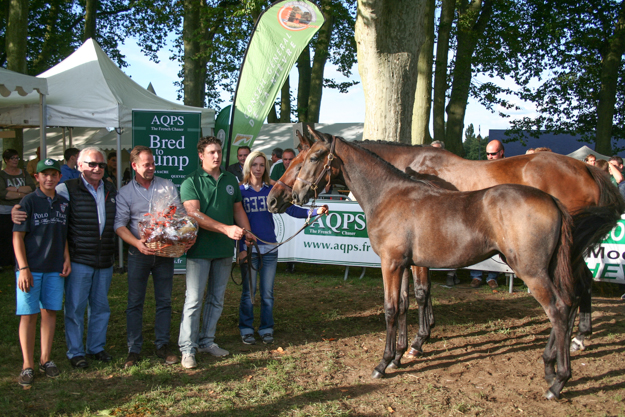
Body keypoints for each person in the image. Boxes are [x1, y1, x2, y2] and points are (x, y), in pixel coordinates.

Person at [12, 147, 118, 369]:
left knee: (101, 307)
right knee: (75, 308)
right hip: (79, 257)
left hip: (104, 257)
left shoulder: (110, 188)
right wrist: (18, 209)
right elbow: (43, 199)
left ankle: (96, 348)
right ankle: (76, 352)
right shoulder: (66, 187)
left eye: (101, 165)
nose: (97, 168)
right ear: (80, 166)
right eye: (91, 164)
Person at [178, 136, 254, 369]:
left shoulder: (231, 179)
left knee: (216, 299)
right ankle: (187, 349)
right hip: (199, 250)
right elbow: (194, 214)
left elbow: (237, 209)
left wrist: (247, 234)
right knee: (193, 300)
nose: (216, 156)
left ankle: (207, 341)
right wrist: (225, 228)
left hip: (223, 250)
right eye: (211, 152)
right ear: (201, 155)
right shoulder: (190, 181)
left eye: (219, 151)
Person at [237, 151, 328, 345]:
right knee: (248, 293)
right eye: (255, 165)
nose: (258, 169)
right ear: (249, 167)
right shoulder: (240, 190)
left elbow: (291, 209)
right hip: (250, 249)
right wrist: (240, 249)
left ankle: (266, 328)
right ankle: (245, 328)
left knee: (267, 293)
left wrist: (314, 212)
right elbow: (236, 221)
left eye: (262, 165)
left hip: (269, 249)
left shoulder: (271, 189)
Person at [115, 146, 188, 368]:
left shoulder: (166, 185)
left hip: (164, 254)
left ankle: (162, 345)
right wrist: (138, 243)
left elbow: (180, 216)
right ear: (134, 166)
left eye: (153, 163)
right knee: (135, 302)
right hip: (138, 253)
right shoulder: (125, 193)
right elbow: (119, 225)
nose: (151, 167)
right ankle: (133, 349)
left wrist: (173, 231)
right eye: (146, 164)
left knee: (164, 301)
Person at [13, 158, 70, 387]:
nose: (49, 178)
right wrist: (23, 268)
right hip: (31, 269)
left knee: (50, 312)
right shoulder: (27, 202)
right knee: (28, 315)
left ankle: (46, 359)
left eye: (53, 174)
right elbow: (17, 238)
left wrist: (66, 258)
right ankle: (28, 365)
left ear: (59, 177)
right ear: (36, 177)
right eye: (44, 174)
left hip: (54, 268)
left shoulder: (64, 203)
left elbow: (63, 234)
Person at [470, 139, 505, 289]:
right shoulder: (483, 169)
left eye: (493, 154)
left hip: (500, 212)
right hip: (482, 211)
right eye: (488, 154)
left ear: (501, 153)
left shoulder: (507, 168)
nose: (490, 156)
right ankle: (476, 275)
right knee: (477, 242)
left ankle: (492, 277)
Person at [1, 149, 35, 269]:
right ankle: (6, 262)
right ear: (6, 160)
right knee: (6, 237)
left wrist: (14, 189)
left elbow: (31, 188)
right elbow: (4, 194)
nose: (15, 160)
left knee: (23, 235)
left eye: (17, 158)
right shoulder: (2, 175)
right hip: (5, 210)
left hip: (23, 208)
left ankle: (20, 260)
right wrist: (21, 191)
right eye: (12, 158)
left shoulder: (24, 173)